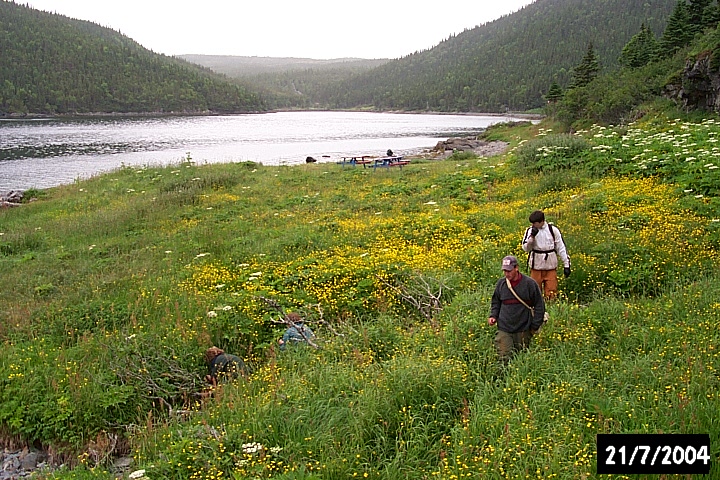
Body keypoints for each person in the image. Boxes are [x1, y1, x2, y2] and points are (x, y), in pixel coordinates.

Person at [488, 255, 545, 370]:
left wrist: (534, 326)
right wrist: (493, 316)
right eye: (504, 271)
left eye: (509, 270)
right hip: (505, 328)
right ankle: (501, 383)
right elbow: (496, 302)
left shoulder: (530, 284)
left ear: (516, 268)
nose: (506, 274)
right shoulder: (501, 284)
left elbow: (539, 305)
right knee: (503, 357)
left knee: (521, 358)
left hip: (523, 329)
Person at [521, 210, 571, 300]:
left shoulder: (553, 230)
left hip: (550, 265)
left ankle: (551, 308)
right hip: (536, 266)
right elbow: (525, 248)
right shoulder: (529, 231)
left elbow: (561, 247)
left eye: (535, 223)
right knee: (535, 291)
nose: (533, 225)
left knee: (552, 291)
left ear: (541, 221)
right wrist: (531, 238)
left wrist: (566, 264)